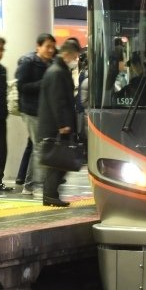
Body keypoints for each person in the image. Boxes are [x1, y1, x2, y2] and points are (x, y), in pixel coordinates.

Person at [37, 38, 80, 208]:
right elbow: (58, 101)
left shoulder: (59, 70)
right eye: (75, 57)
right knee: (56, 162)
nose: (76, 60)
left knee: (57, 162)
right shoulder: (56, 72)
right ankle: (50, 195)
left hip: (57, 125)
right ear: (67, 54)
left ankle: (51, 195)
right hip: (55, 126)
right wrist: (62, 124)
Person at [15, 33, 56, 196]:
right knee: (40, 147)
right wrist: (43, 84)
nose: (51, 50)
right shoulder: (29, 63)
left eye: (53, 47)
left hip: (44, 111)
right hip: (30, 110)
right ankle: (36, 185)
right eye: (47, 46)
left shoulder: (50, 63)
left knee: (36, 147)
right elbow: (22, 86)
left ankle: (30, 185)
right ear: (38, 46)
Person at [0, 36, 12, 196]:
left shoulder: (1, 70)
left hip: (0, 118)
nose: (1, 53)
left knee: (1, 151)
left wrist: (4, 112)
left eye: (2, 49)